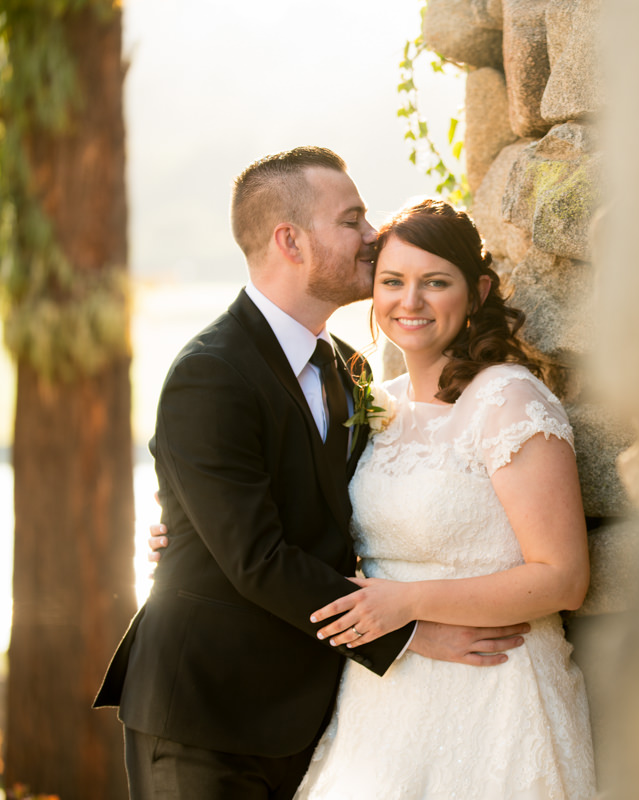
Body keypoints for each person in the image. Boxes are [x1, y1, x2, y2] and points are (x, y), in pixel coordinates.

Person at [95, 147, 528, 799]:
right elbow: (256, 557)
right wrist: (409, 632)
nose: (373, 236)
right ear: (290, 240)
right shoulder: (210, 372)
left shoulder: (352, 371)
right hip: (207, 719)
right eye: (352, 220)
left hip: (315, 715)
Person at [290, 198, 596, 798]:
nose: (411, 302)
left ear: (477, 291)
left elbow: (564, 579)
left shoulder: (509, 401)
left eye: (435, 283)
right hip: (384, 701)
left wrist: (408, 604)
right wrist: (184, 530)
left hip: (496, 694)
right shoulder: (378, 403)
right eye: (393, 282)